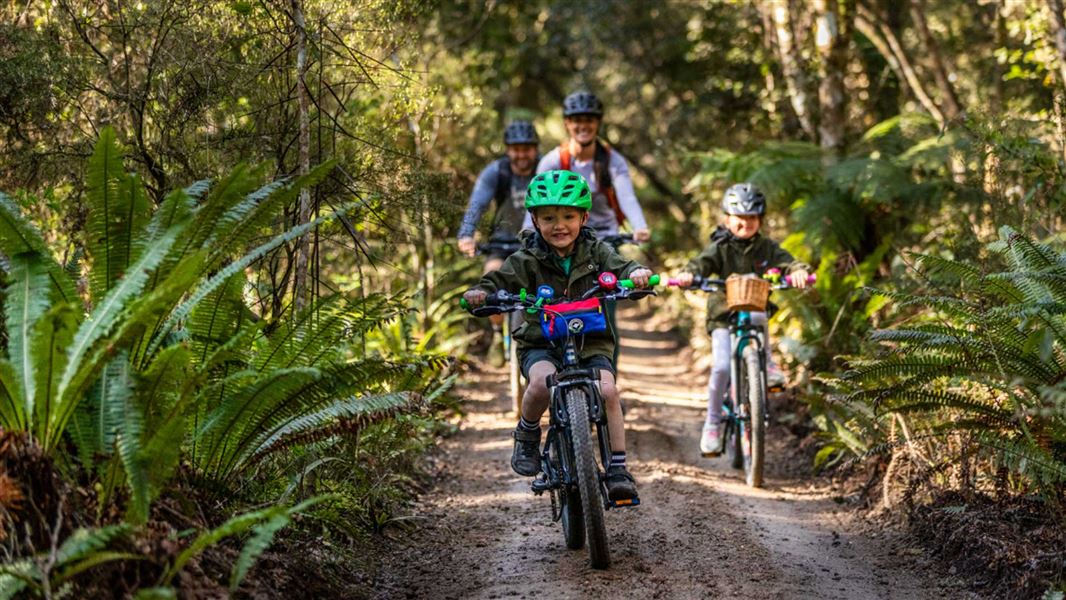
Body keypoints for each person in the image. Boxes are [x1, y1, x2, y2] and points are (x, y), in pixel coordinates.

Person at [463, 170, 653, 501]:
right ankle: (527, 432)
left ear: (583, 217)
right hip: (541, 342)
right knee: (540, 384)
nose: (559, 225)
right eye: (549, 217)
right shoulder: (525, 259)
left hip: (590, 341)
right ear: (534, 220)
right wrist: (483, 292)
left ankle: (618, 468)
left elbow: (622, 267)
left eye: (567, 216)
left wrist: (635, 275)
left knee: (608, 390)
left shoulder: (597, 251)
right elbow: (499, 281)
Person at [673, 183, 811, 456]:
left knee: (759, 313)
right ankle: (712, 422)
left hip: (754, 306)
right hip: (723, 315)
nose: (745, 223)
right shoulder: (719, 247)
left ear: (760, 220)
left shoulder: (766, 247)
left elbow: (789, 262)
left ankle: (768, 363)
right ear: (727, 218)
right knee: (722, 367)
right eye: (740, 217)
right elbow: (700, 264)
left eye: (752, 218)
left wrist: (798, 272)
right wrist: (689, 274)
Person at [458, 120, 540, 365]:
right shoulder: (497, 172)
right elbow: (477, 204)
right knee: (491, 282)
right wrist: (466, 234)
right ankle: (496, 333)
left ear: (535, 149)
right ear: (507, 149)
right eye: (516, 148)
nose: (521, 154)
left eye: (526, 148)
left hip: (536, 244)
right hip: (501, 244)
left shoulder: (544, 169)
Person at [522, 91, 650, 242]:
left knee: (635, 263)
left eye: (589, 120)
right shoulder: (552, 162)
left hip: (608, 237)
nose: (583, 126)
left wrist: (640, 226)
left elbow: (627, 197)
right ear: (567, 124)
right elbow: (536, 201)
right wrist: (527, 234)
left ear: (598, 123)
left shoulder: (613, 161)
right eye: (577, 120)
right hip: (566, 237)